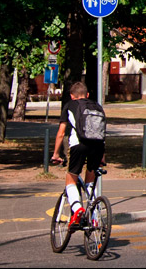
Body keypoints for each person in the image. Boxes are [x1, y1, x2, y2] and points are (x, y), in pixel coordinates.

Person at [51, 82, 106, 228]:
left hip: (78, 145)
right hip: (98, 146)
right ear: (87, 95)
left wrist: (56, 154)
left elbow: (61, 133)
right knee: (90, 182)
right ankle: (94, 218)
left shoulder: (70, 105)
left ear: (71, 96)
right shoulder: (97, 107)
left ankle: (77, 209)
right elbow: (101, 132)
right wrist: (103, 157)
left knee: (71, 178)